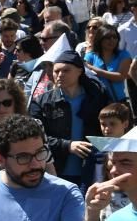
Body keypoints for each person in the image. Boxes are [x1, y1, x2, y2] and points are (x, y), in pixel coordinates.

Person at [29, 50, 109, 189]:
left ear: (79, 71)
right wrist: (67, 145)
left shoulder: (97, 98)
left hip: (92, 170)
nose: (60, 75)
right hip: (54, 171)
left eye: (66, 70)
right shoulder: (41, 102)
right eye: (56, 71)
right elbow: (34, 137)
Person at [84, 24, 133, 105]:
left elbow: (120, 77)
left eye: (115, 37)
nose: (112, 40)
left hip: (118, 102)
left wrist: (93, 69)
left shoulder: (124, 55)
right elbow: (86, 77)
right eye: (108, 37)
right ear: (100, 39)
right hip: (97, 102)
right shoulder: (91, 56)